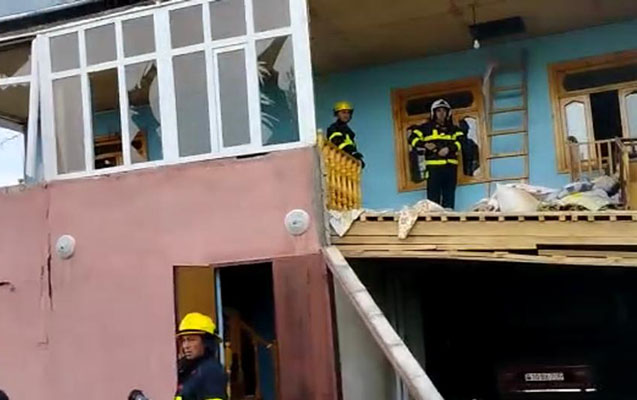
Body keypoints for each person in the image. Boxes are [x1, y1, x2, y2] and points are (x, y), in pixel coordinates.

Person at [407, 99, 468, 209]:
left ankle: (449, 218)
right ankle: (434, 218)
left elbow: (462, 141)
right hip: (433, 168)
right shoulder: (425, 128)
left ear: (448, 113)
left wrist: (449, 149)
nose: (441, 113)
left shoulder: (454, 129)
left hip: (450, 167)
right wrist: (425, 144)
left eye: (444, 111)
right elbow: (411, 139)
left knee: (449, 197)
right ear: (433, 113)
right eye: (438, 111)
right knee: (433, 199)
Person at [175, 312, 227, 400]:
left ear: (206, 342)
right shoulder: (188, 370)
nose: (186, 346)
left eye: (191, 340)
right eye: (184, 340)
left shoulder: (211, 370)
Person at [327, 101, 365, 167]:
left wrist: (357, 159)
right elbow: (337, 142)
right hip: (338, 162)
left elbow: (351, 146)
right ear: (337, 114)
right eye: (343, 112)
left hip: (347, 164)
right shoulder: (334, 128)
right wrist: (352, 152)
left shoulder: (348, 131)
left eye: (348, 113)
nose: (346, 115)